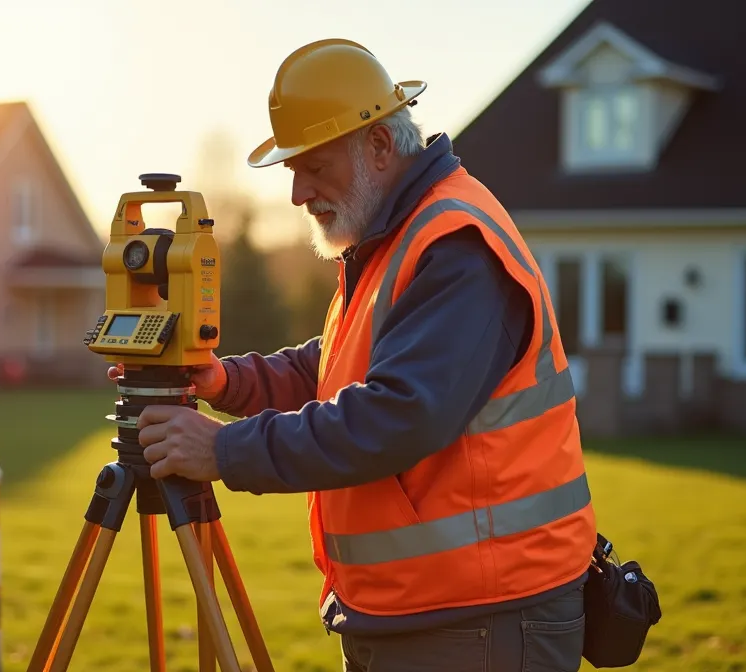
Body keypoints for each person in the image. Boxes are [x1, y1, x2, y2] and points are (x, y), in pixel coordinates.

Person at [122, 39, 598, 671]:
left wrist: (222, 450)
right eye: (293, 171)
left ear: (378, 144)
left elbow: (397, 414)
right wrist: (224, 381)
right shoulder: (393, 238)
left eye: (315, 167)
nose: (299, 193)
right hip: (425, 611)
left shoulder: (457, 245)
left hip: (482, 619)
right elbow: (336, 365)